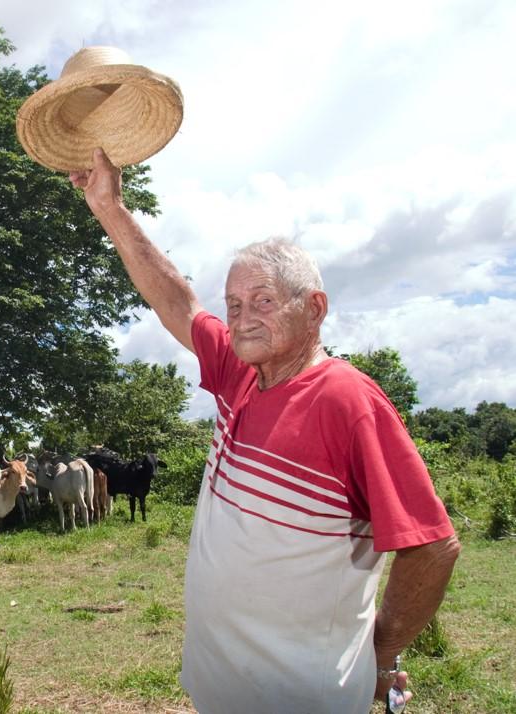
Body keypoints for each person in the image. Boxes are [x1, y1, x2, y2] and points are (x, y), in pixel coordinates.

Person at [70, 148, 461, 714]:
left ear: (315, 308)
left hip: (302, 696)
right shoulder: (240, 372)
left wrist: (380, 653)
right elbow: (177, 300)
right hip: (224, 686)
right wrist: (109, 208)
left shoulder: (347, 400)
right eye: (233, 304)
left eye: (264, 300)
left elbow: (432, 547)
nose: (242, 317)